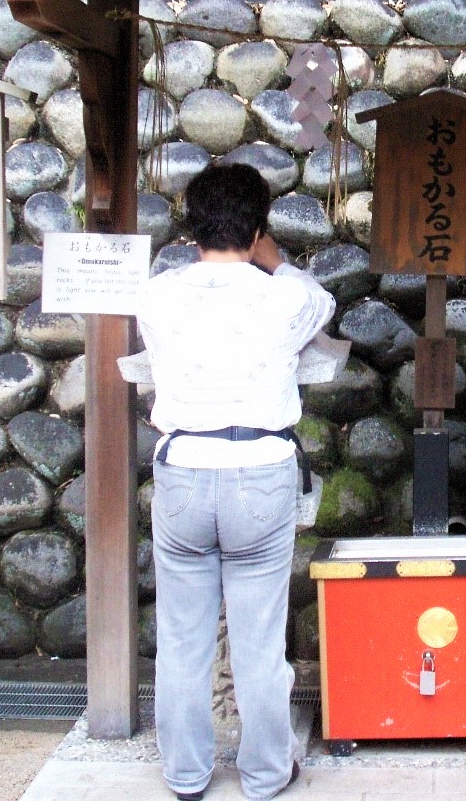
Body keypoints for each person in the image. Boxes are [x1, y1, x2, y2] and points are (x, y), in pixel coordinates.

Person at [136, 162, 335, 800]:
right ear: (256, 232)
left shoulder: (157, 295)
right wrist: (271, 256)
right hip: (259, 476)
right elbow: (320, 303)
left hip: (184, 475)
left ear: (191, 230)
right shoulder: (285, 296)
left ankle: (187, 775)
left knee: (182, 636)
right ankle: (266, 773)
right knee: (258, 639)